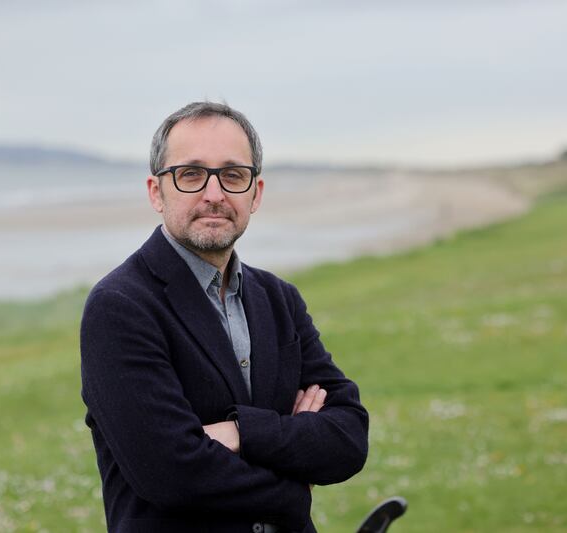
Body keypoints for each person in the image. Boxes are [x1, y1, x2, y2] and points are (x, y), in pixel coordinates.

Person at [79, 102, 369, 533]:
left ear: (256, 193)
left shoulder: (279, 299)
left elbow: (348, 436)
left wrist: (240, 433)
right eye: (191, 174)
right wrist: (293, 486)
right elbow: (171, 474)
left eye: (233, 175)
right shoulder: (120, 306)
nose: (214, 194)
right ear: (157, 192)